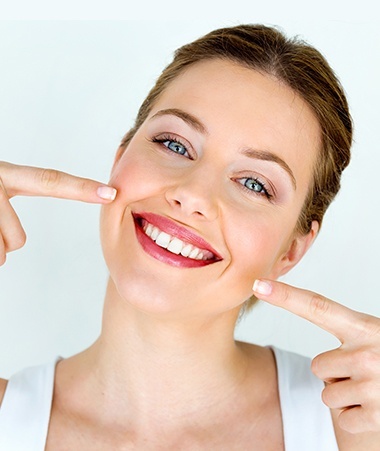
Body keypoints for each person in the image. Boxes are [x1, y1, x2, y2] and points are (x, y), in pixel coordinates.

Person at [0, 23, 379, 450]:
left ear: (290, 251)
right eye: (175, 144)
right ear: (120, 157)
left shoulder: (353, 431)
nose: (192, 194)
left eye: (254, 184)